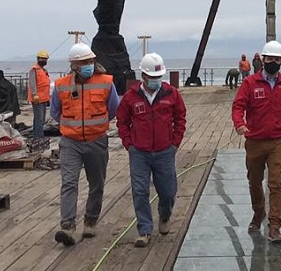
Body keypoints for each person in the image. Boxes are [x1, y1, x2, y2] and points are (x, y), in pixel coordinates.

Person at [231, 40, 281, 243]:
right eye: (270, 58)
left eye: (277, 60)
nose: (273, 62)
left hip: (278, 141)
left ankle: (274, 226)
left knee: (276, 183)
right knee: (254, 181)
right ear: (263, 59)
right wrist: (239, 124)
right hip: (255, 140)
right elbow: (238, 106)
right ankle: (258, 211)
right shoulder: (250, 83)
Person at [116, 53, 187, 248]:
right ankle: (144, 230)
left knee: (168, 191)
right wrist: (129, 145)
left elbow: (180, 118)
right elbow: (122, 121)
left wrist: (175, 143)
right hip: (139, 152)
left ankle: (164, 216)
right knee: (140, 191)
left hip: (165, 151)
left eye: (159, 76)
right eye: (152, 77)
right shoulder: (131, 97)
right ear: (143, 76)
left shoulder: (171, 94)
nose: (156, 80)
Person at [52, 42, 120, 246]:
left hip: (96, 140)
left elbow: (113, 108)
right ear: (74, 65)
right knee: (69, 183)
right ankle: (67, 226)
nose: (88, 65)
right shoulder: (62, 85)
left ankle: (90, 221)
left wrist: (96, 125)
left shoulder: (106, 82)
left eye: (90, 61)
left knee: (96, 183)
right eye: (83, 62)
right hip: (70, 142)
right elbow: (55, 112)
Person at [27, 49, 51, 144]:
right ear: (38, 59)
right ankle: (37, 137)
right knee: (39, 118)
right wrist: (35, 94)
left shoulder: (43, 70)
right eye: (42, 58)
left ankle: (40, 135)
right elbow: (32, 83)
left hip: (44, 98)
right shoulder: (34, 70)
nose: (44, 60)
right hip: (37, 98)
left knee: (42, 119)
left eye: (45, 59)